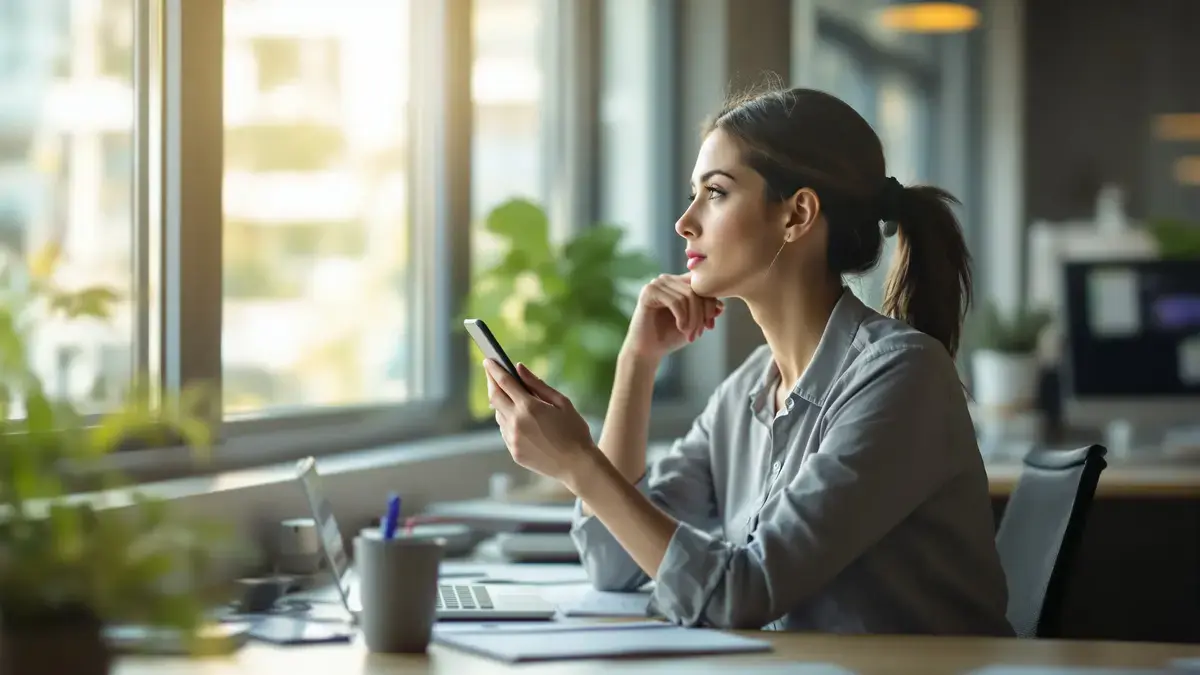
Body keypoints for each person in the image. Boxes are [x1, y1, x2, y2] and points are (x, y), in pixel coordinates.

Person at [481, 86, 1012, 635]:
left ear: (797, 215)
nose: (685, 222)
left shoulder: (902, 376)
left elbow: (743, 594)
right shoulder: (746, 393)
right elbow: (612, 563)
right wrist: (636, 365)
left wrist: (578, 463)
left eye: (715, 192)